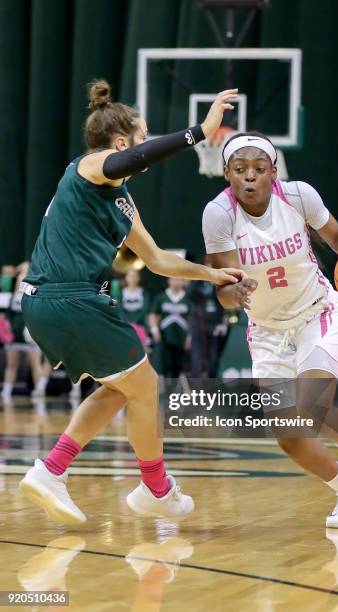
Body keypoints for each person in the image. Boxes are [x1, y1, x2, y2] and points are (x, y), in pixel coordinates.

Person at [18, 79, 243, 524]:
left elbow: (158, 260)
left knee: (122, 387)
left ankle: (52, 470)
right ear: (122, 141)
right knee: (145, 386)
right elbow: (135, 157)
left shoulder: (120, 197)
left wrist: (210, 272)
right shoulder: (93, 165)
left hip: (55, 303)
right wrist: (199, 131)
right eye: (144, 133)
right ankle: (156, 489)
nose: (147, 141)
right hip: (71, 299)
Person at [202, 131, 338, 528]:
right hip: (267, 329)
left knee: (311, 405)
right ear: (226, 174)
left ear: (274, 172)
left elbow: (336, 238)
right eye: (239, 169)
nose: (249, 177)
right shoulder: (218, 215)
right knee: (290, 436)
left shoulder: (299, 196)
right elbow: (223, 290)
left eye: (258, 169)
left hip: (315, 312)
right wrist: (235, 293)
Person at [1, 263, 44, 402]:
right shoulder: (12, 296)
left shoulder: (33, 295)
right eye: (19, 280)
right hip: (14, 337)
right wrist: (7, 327)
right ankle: (7, 391)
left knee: (35, 364)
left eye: (24, 279)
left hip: (30, 337)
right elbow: (7, 315)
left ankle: (39, 390)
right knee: (11, 364)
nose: (21, 282)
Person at [149, 278, 191, 379]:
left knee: (177, 366)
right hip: (164, 337)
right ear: (168, 280)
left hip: (181, 338)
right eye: (173, 279)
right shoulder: (161, 297)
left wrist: (189, 337)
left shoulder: (188, 298)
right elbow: (153, 314)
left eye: (179, 279)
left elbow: (191, 319)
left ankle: (173, 389)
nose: (176, 281)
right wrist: (154, 330)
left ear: (184, 281)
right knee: (162, 363)